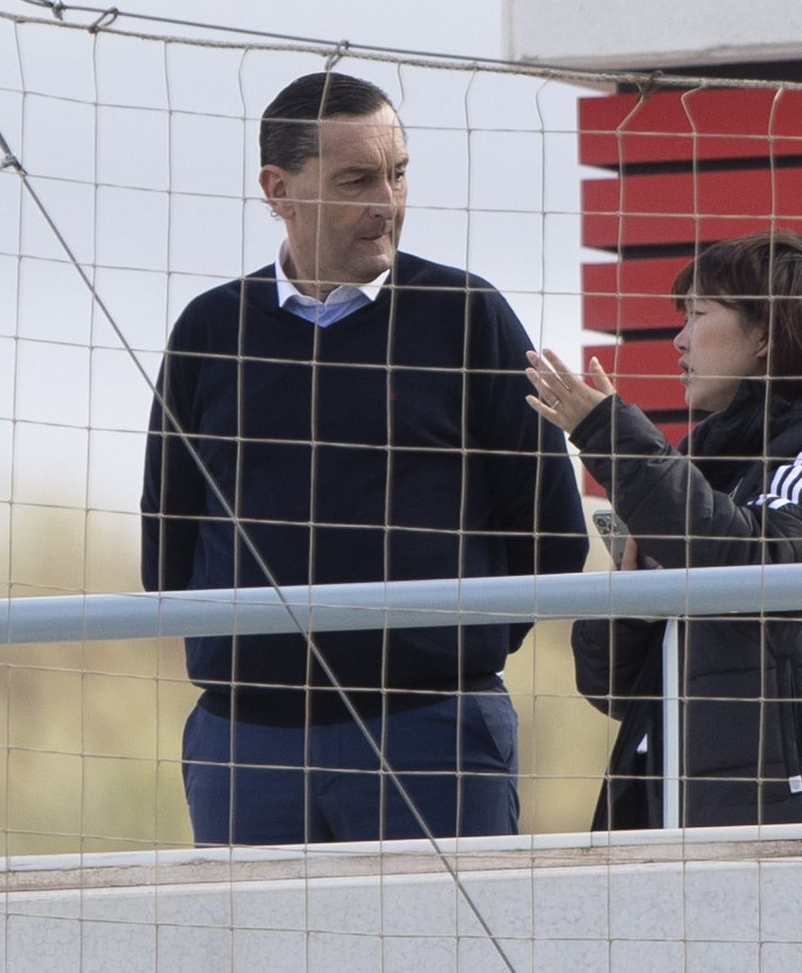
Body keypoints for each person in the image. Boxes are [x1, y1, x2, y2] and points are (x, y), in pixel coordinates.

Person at [141, 72, 588, 845]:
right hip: (244, 747)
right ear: (277, 189)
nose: (387, 201)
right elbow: (167, 543)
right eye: (357, 179)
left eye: (399, 172)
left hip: (435, 733)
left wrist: (442, 654)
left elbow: (550, 532)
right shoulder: (209, 330)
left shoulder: (468, 317)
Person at [525, 230, 802, 829]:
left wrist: (608, 435)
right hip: (665, 807)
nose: (678, 339)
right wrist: (634, 605)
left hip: (796, 809)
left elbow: (758, 558)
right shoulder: (707, 457)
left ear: (767, 333)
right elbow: (608, 684)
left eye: (698, 314)